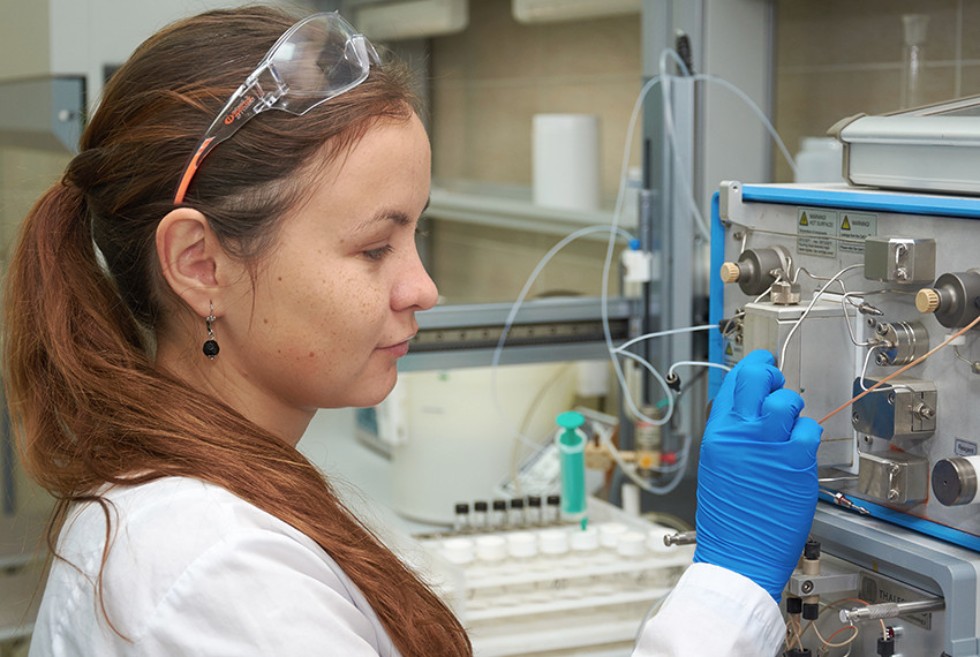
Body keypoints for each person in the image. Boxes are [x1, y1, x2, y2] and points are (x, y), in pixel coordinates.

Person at [2, 7, 821, 657]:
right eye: (373, 247)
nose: (423, 287)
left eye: (415, 234)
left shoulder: (213, 492)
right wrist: (728, 585)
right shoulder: (210, 571)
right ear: (199, 264)